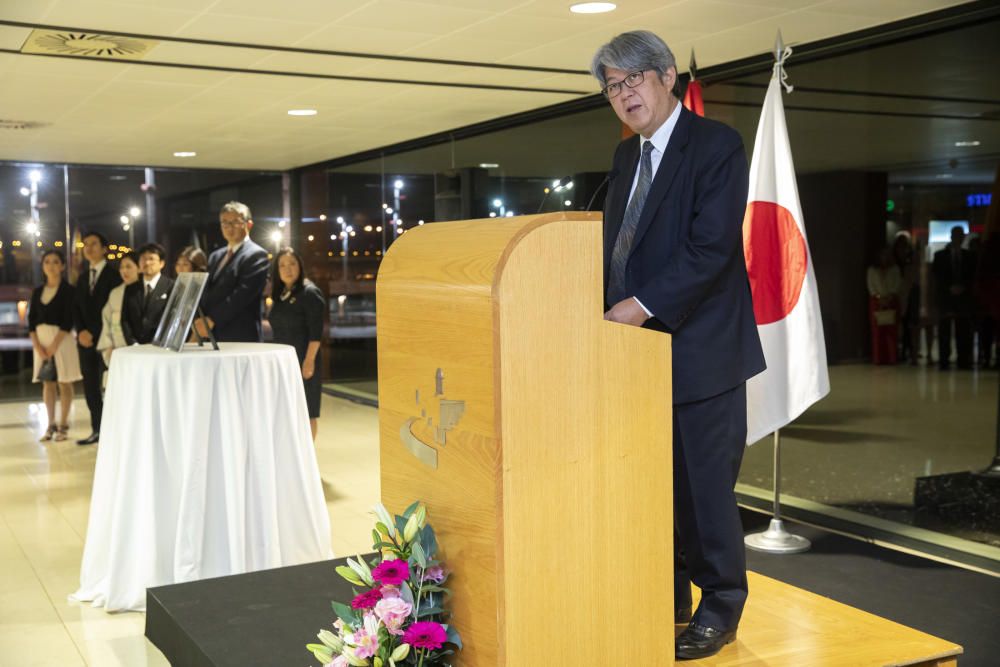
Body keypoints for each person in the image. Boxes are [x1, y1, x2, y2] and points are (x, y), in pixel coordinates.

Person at [591, 31, 765, 660]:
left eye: (633, 78)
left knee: (704, 494)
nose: (623, 94)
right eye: (612, 86)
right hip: (638, 362)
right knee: (650, 488)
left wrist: (636, 307)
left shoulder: (715, 145)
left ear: (666, 75)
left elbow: (710, 249)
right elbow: (620, 251)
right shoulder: (623, 158)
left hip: (703, 354)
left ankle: (721, 606)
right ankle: (663, 597)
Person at [269, 248, 326, 439]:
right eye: (282, 265)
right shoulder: (280, 295)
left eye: (292, 263)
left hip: (304, 360)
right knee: (288, 409)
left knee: (307, 411)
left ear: (300, 266)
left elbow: (316, 333)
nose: (288, 269)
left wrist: (309, 361)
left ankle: (308, 461)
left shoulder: (310, 293)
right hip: (284, 362)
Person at [28, 250, 83, 442]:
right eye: (47, 262)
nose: (50, 266)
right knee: (47, 383)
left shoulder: (69, 291)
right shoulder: (37, 291)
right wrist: (38, 346)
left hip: (62, 340)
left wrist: (53, 346)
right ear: (42, 266)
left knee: (64, 382)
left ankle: (63, 424)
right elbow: (31, 321)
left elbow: (68, 321)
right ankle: (50, 423)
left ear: (62, 266)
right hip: (41, 342)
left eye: (55, 262)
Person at [73, 231, 121, 445]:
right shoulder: (82, 278)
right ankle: (97, 430)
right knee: (90, 388)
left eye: (94, 244)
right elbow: (77, 308)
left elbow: (111, 310)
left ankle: (114, 432)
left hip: (106, 341)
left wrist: (93, 332)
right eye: (86, 245)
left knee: (111, 387)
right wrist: (81, 331)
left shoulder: (114, 276)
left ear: (104, 249)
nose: (89, 248)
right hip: (84, 342)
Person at [197, 201, 269, 342]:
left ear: (249, 224)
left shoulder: (257, 255)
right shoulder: (215, 256)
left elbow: (242, 295)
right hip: (211, 335)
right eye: (224, 223)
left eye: (235, 222)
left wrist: (212, 319)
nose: (229, 228)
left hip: (240, 334)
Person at [933, 226, 975, 369]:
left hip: (963, 297)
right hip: (946, 297)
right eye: (956, 235)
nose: (958, 238)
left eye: (961, 235)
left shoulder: (969, 256)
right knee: (944, 330)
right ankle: (944, 359)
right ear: (951, 237)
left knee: (963, 329)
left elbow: (972, 277)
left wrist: (963, 287)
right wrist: (948, 288)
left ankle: (963, 359)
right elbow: (937, 277)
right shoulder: (939, 256)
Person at [122, 243, 174, 345]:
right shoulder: (131, 288)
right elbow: (124, 319)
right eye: (143, 259)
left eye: (151, 258)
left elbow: (172, 317)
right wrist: (132, 342)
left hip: (161, 346)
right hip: (136, 347)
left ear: (162, 263)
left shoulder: (171, 286)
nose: (147, 262)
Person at [96, 252, 140, 365]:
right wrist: (108, 346)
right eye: (121, 267)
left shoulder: (144, 292)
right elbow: (107, 320)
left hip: (140, 350)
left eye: (128, 266)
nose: (124, 271)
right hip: (118, 350)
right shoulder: (115, 293)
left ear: (139, 268)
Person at [867, 246, 901, 365]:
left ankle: (892, 358)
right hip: (876, 302)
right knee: (877, 332)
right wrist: (879, 298)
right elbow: (871, 285)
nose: (884, 258)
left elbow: (897, 284)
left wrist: (889, 297)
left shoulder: (895, 269)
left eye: (886, 255)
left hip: (891, 301)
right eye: (882, 255)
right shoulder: (872, 270)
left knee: (891, 331)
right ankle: (878, 359)